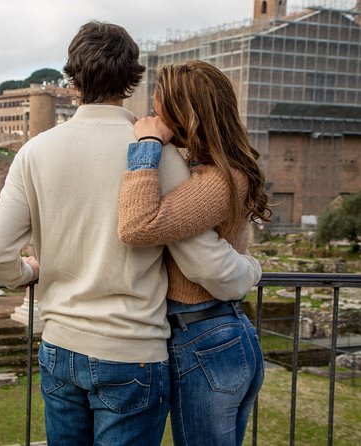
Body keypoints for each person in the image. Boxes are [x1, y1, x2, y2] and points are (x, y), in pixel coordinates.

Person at [0, 22, 262, 446]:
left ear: (72, 79)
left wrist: (26, 272)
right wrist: (252, 270)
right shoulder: (159, 154)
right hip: (132, 352)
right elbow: (199, 257)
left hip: (60, 345)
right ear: (133, 80)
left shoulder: (35, 151)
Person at [117, 60, 272, 446]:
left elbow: (136, 225)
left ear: (185, 114)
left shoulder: (218, 179)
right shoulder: (214, 170)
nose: (152, 115)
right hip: (214, 336)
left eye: (159, 108)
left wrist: (147, 147)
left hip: (205, 337)